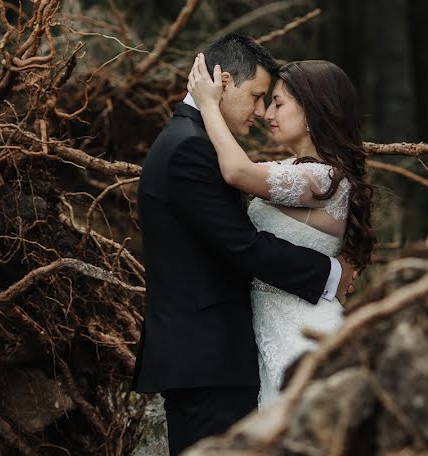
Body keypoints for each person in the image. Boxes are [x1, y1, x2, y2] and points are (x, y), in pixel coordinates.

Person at [131, 34, 355, 456]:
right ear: (224, 82)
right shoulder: (190, 148)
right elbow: (242, 245)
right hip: (207, 357)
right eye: (256, 97)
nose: (260, 111)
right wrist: (331, 273)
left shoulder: (194, 140)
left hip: (239, 346)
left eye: (272, 102)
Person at [187, 52, 374, 406]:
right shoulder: (292, 168)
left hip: (301, 332)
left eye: (277, 103)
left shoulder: (323, 177)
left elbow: (237, 172)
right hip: (269, 328)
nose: (267, 115)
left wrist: (208, 105)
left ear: (312, 112)